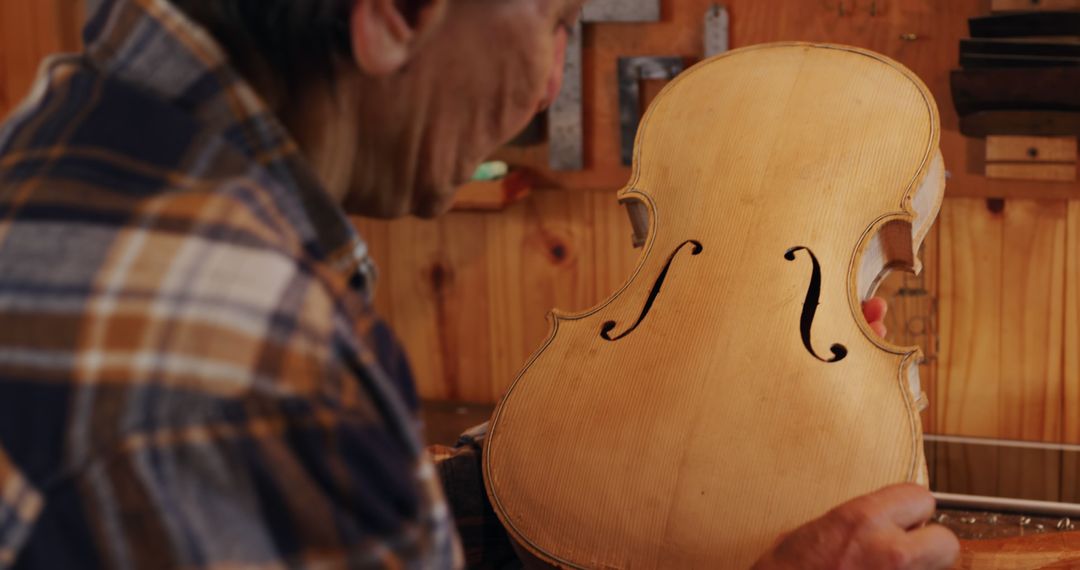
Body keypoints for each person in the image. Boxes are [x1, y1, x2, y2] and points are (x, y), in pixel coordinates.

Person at [0, 0, 959, 568]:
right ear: (392, 13)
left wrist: (527, 487)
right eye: (547, 20)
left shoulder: (55, 151)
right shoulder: (258, 357)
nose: (549, 82)